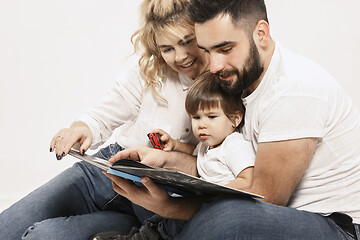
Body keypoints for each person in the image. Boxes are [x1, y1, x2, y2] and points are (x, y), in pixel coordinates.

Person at [100, 0, 360, 239]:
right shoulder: (237, 80)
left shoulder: (294, 91)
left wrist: (170, 207)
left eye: (225, 49)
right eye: (207, 51)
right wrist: (167, 161)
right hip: (270, 215)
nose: (214, 65)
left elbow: (263, 198)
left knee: (229, 216)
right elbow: (224, 165)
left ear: (261, 34)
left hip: (335, 226)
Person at [0, 0, 209, 239]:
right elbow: (103, 114)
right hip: (108, 169)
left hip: (158, 201)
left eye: (187, 41)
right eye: (167, 48)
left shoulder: (225, 80)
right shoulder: (154, 70)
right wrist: (82, 127)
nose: (180, 56)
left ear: (202, 31)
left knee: (42, 236)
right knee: (7, 227)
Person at [152, 70, 255, 188]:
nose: (201, 125)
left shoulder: (234, 145)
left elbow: (248, 179)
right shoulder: (206, 145)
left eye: (211, 117)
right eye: (196, 117)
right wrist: (174, 144)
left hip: (225, 201)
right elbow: (193, 151)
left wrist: (216, 194)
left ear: (235, 119)